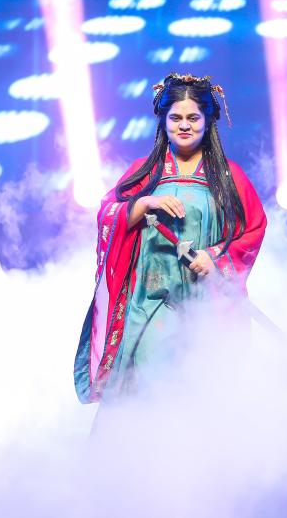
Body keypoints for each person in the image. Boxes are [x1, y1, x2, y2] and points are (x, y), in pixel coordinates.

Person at [74, 73, 267, 404]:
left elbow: (254, 228)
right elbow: (109, 215)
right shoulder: (145, 172)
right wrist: (144, 203)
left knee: (200, 391)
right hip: (149, 304)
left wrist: (215, 257)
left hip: (205, 305)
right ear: (163, 121)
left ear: (208, 121)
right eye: (176, 118)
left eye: (193, 118)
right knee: (148, 388)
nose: (184, 125)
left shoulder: (229, 176)